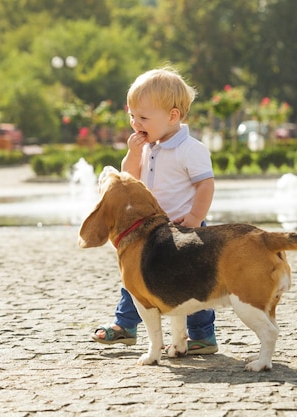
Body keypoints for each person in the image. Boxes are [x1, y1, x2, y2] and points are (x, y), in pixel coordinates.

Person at [92, 66, 217, 355]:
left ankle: (202, 335)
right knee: (134, 277)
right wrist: (134, 153)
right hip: (149, 229)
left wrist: (196, 218)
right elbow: (128, 179)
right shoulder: (146, 146)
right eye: (132, 116)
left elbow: (205, 186)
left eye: (143, 117)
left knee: (195, 284)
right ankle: (125, 325)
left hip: (186, 227)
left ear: (173, 116)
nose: (136, 123)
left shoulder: (191, 149)